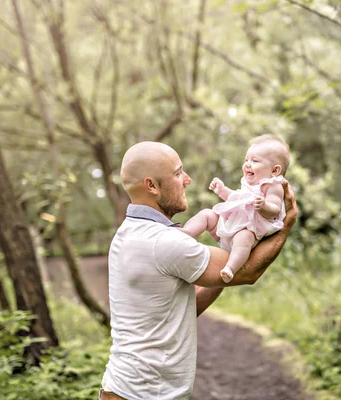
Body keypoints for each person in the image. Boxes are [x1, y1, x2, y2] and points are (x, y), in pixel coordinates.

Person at [99, 141, 297, 400]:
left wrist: (224, 255)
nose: (187, 180)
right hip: (143, 394)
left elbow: (182, 310)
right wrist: (286, 223)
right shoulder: (164, 242)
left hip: (127, 390)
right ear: (152, 186)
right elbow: (247, 272)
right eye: (179, 173)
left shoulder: (129, 232)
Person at [181, 135, 290, 283]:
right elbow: (236, 199)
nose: (247, 164)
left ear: (275, 170)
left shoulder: (273, 185)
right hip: (226, 227)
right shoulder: (248, 184)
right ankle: (186, 233)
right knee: (207, 214)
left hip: (247, 230)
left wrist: (265, 206)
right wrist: (222, 190)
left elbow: (276, 208)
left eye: (255, 161)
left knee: (244, 237)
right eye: (246, 160)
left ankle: (230, 268)